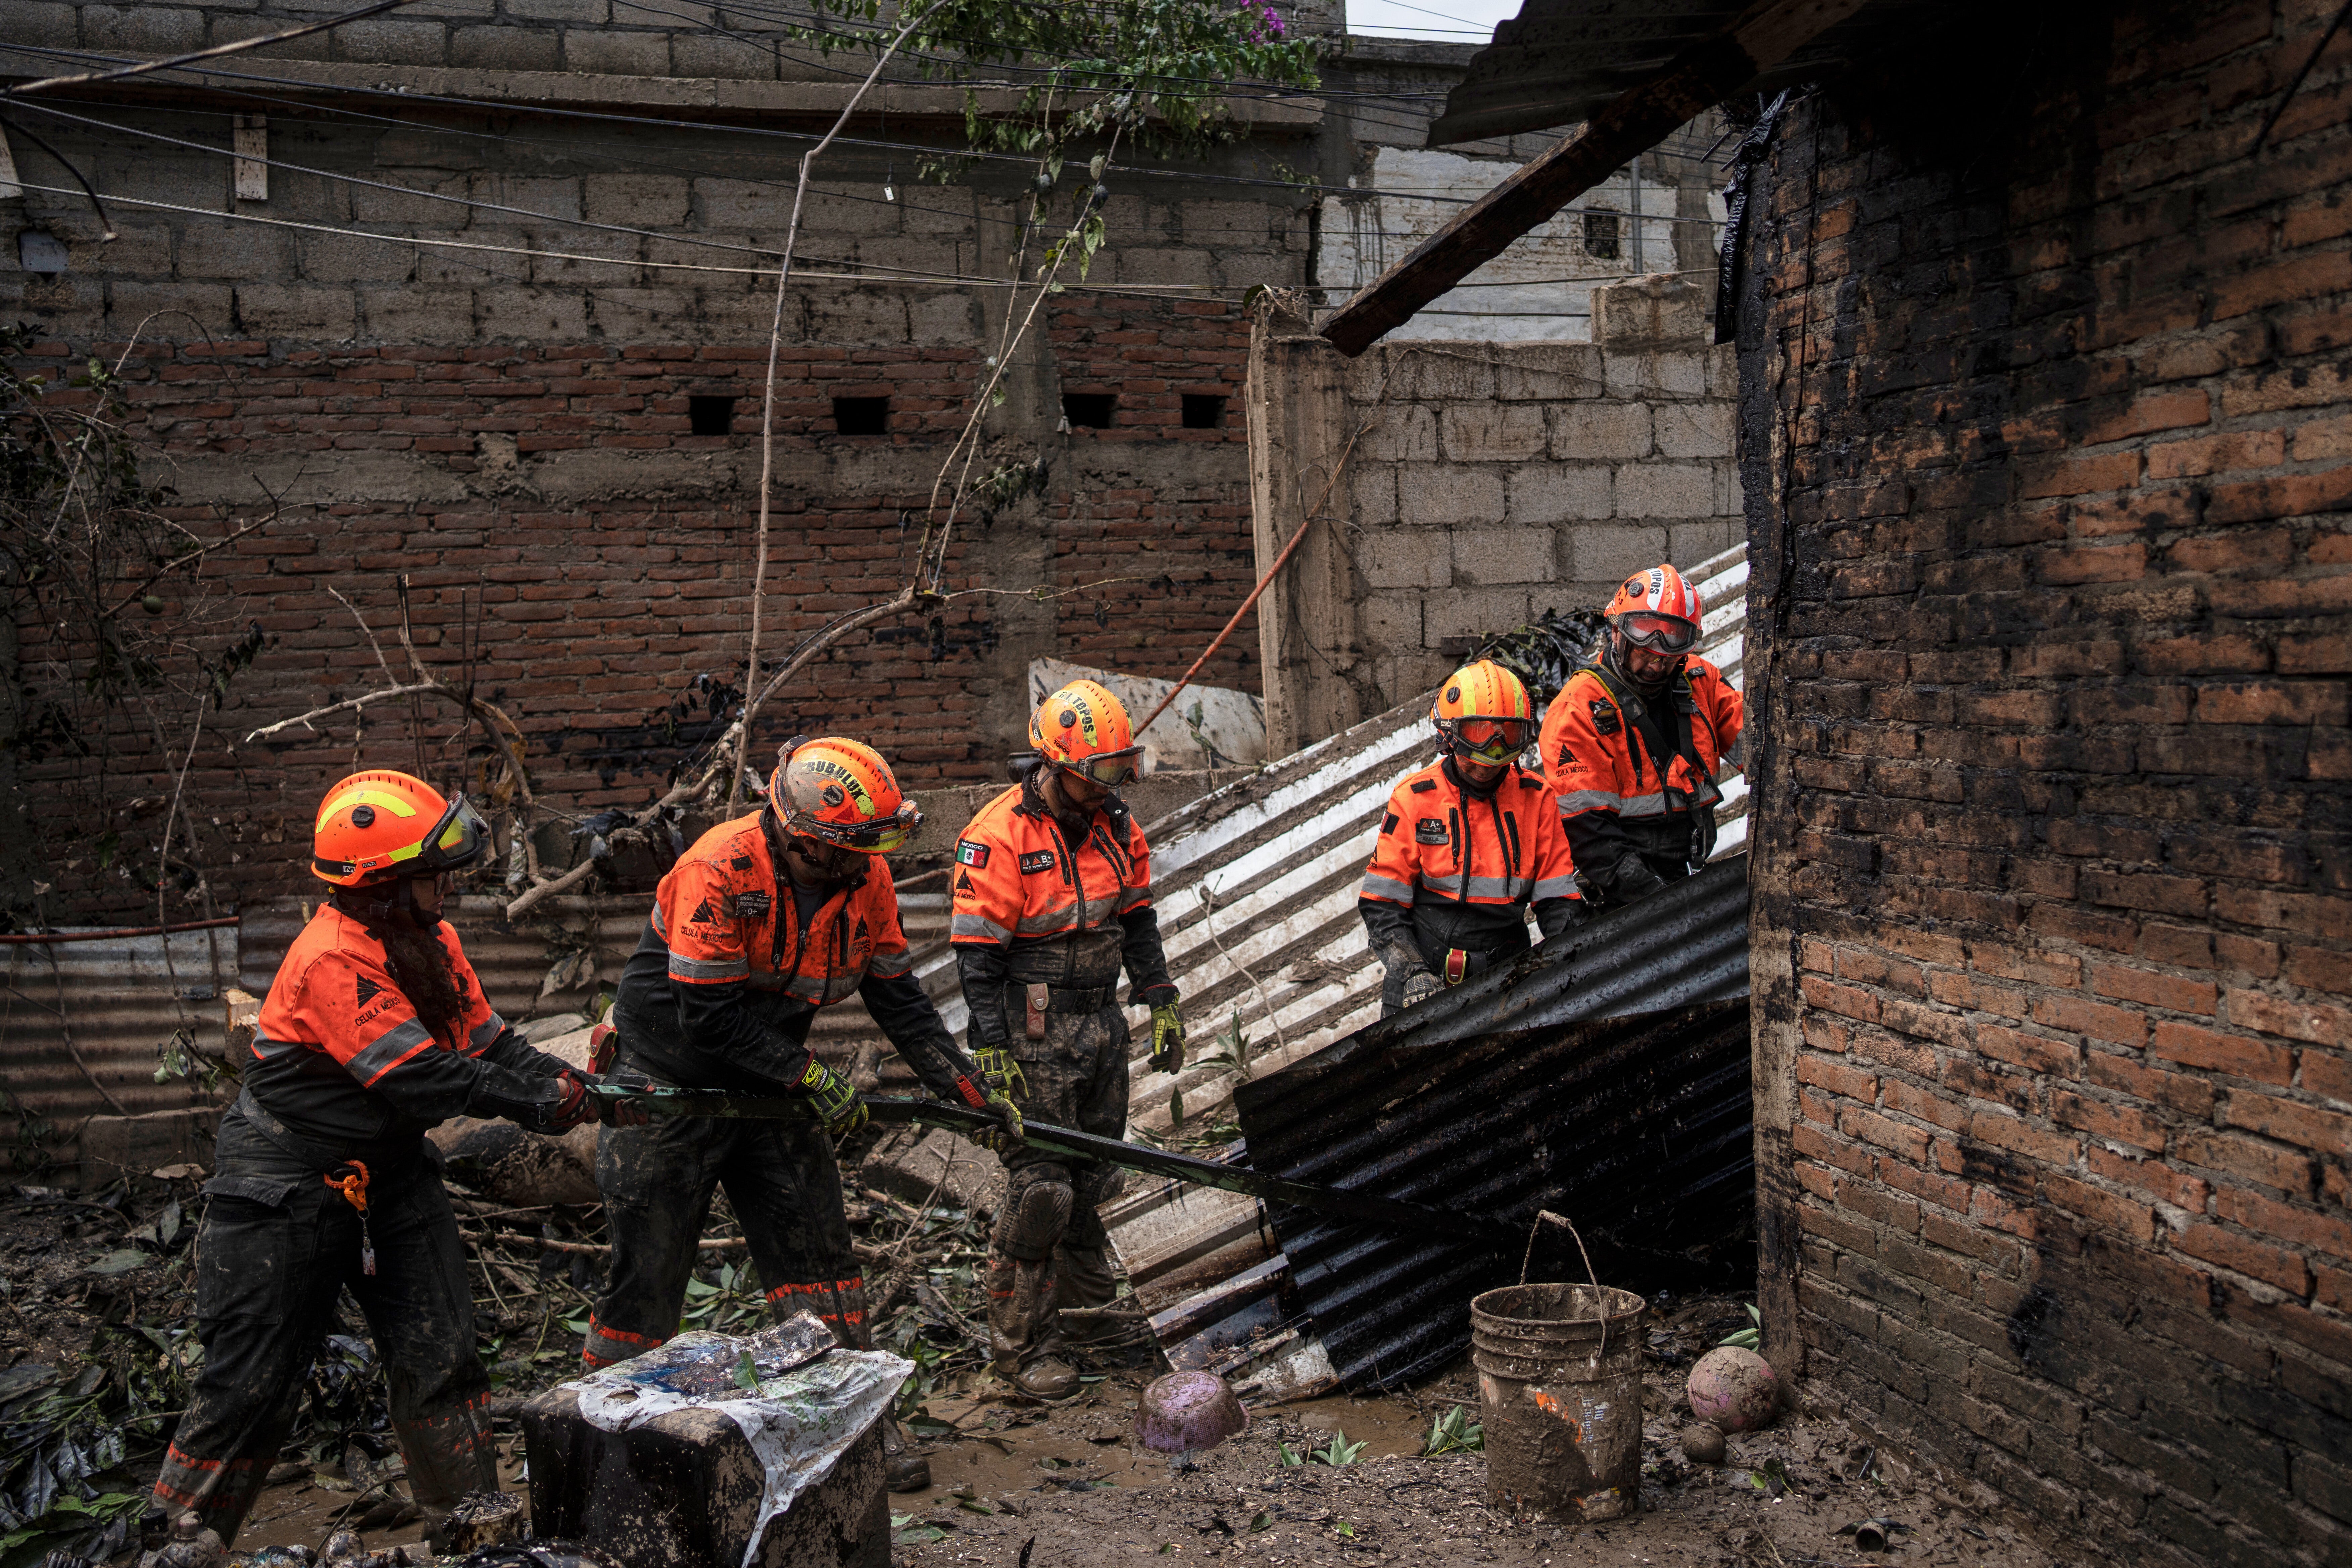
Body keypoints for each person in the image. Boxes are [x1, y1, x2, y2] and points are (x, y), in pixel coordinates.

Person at [152, 770, 630, 1548]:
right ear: (385, 883)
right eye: (431, 873)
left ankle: (474, 1536)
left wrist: (569, 1083)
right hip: (287, 1179)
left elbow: (487, 1043)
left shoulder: (430, 941)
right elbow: (420, 1073)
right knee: (248, 1386)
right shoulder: (332, 959)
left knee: (442, 1358)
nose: (448, 884)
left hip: (392, 1171)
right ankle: (174, 1541)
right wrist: (534, 1107)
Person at [585, 737, 1017, 1486]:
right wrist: (810, 1072)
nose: (866, 863)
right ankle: (603, 1440)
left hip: (771, 1087)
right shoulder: (718, 867)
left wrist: (964, 1083)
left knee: (822, 1260)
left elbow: (898, 997)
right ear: (800, 835)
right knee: (647, 1276)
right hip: (669, 1081)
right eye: (852, 848)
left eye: (873, 847)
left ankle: (859, 1423)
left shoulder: (867, 876)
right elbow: (707, 1015)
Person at [949, 679, 1183, 1400]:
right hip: (1034, 1024)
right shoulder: (999, 835)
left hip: (1100, 1018)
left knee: (1092, 1180)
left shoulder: (1117, 825)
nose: (1115, 783)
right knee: (1042, 1187)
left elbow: (1138, 918)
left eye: (1121, 767)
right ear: (1056, 765)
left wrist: (1160, 997)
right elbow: (977, 953)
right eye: (1101, 770)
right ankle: (1020, 1353)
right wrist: (990, 1040)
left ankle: (1089, 1322)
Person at [1359, 659, 1582, 1016]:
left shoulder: (1536, 797)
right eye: (1480, 734)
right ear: (1449, 735)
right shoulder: (1415, 797)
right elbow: (1381, 904)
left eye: (1506, 735)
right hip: (1424, 974)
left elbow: (1558, 902)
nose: (1491, 756)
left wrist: (1571, 958)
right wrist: (1411, 970)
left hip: (1508, 974)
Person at [1540, 564, 1745, 911]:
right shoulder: (1577, 710)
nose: (1655, 664)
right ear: (1617, 633)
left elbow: (1766, 752)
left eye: (1668, 655)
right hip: (1622, 890)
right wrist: (1661, 902)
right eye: (1644, 650)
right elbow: (1592, 840)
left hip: (1688, 869)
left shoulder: (1702, 682)